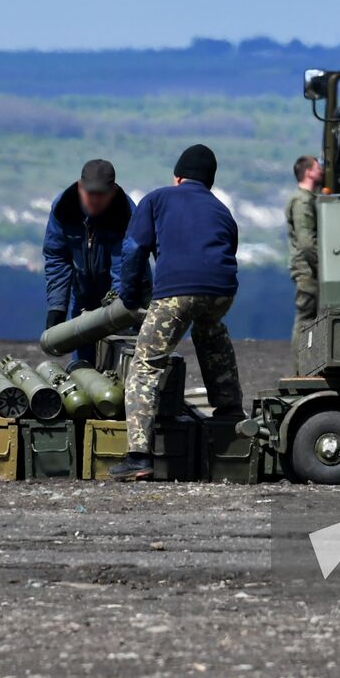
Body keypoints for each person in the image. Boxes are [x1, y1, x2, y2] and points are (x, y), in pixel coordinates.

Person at [110, 144, 244, 481]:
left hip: (176, 291)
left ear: (178, 176)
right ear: (209, 182)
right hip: (222, 291)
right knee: (210, 331)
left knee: (145, 365)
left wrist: (128, 295)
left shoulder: (157, 199)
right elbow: (226, 250)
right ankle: (230, 409)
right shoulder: (222, 210)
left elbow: (134, 248)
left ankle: (139, 456)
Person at [42, 159, 139, 365]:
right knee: (82, 365)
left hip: (125, 296)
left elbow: (124, 265)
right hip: (84, 294)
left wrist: (118, 312)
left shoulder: (126, 213)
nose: (94, 200)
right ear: (80, 187)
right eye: (90, 193)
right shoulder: (64, 209)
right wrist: (57, 307)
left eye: (101, 194)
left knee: (119, 360)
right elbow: (57, 257)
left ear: (112, 191)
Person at [286, 154, 322, 370]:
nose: (322, 170)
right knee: (306, 320)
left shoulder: (307, 199)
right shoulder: (303, 201)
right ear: (308, 171)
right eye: (318, 167)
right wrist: (325, 268)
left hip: (308, 268)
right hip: (308, 270)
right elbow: (307, 242)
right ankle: (301, 369)